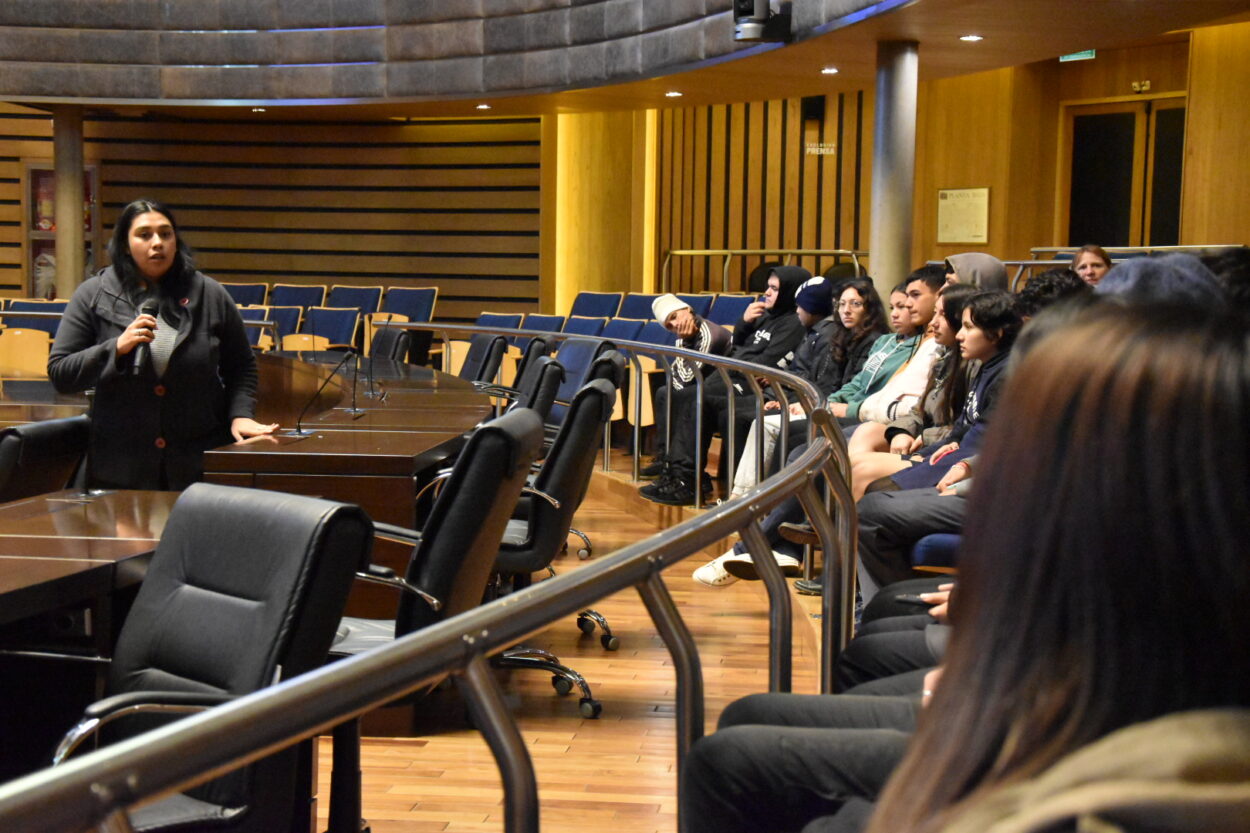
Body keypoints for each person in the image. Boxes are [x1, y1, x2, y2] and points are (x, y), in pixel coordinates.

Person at [865, 305, 1250, 833]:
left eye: (1048, 434)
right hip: (1032, 705)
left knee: (744, 762)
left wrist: (976, 699)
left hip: (1035, 729)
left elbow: (1076, 697)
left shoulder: (1149, 567)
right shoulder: (1145, 561)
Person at [48, 198, 277, 490]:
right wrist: (116, 348)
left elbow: (241, 366)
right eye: (144, 235)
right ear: (124, 243)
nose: (157, 243)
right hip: (120, 465)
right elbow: (61, 373)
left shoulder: (209, 293)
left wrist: (240, 415)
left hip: (195, 463)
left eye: (165, 234)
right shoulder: (93, 294)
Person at [640, 266, 807, 504]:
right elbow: (739, 346)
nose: (767, 293)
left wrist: (740, 360)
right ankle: (675, 471)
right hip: (733, 374)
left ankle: (686, 480)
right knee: (677, 393)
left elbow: (765, 362)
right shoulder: (763, 315)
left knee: (694, 397)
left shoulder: (792, 323)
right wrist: (745, 323)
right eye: (767, 287)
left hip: (750, 383)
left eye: (774, 288)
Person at [727, 278, 887, 498]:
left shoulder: (874, 341)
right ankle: (743, 496)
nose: (847, 310)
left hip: (851, 413)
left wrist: (810, 405)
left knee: (772, 426)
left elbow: (852, 389)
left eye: (855, 304)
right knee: (755, 418)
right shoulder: (843, 336)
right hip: (826, 404)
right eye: (842, 304)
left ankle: (760, 500)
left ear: (870, 309)